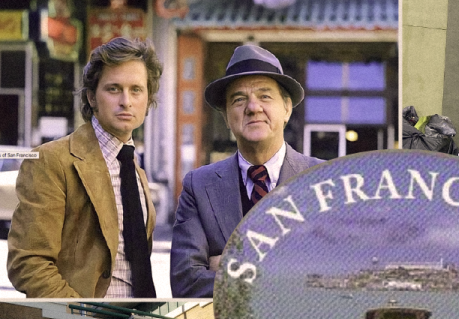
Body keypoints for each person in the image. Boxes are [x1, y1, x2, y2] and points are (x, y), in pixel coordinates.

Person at [7, 37, 163, 298]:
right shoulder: (52, 160)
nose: (126, 101)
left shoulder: (135, 168)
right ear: (91, 96)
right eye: (114, 89)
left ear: (147, 100)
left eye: (136, 90)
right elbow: (28, 262)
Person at [170, 45, 323, 298]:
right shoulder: (199, 186)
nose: (253, 108)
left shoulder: (320, 179)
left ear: (287, 109)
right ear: (226, 117)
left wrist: (229, 264)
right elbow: (186, 282)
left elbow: (333, 275)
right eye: (239, 99)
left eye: (265, 96)